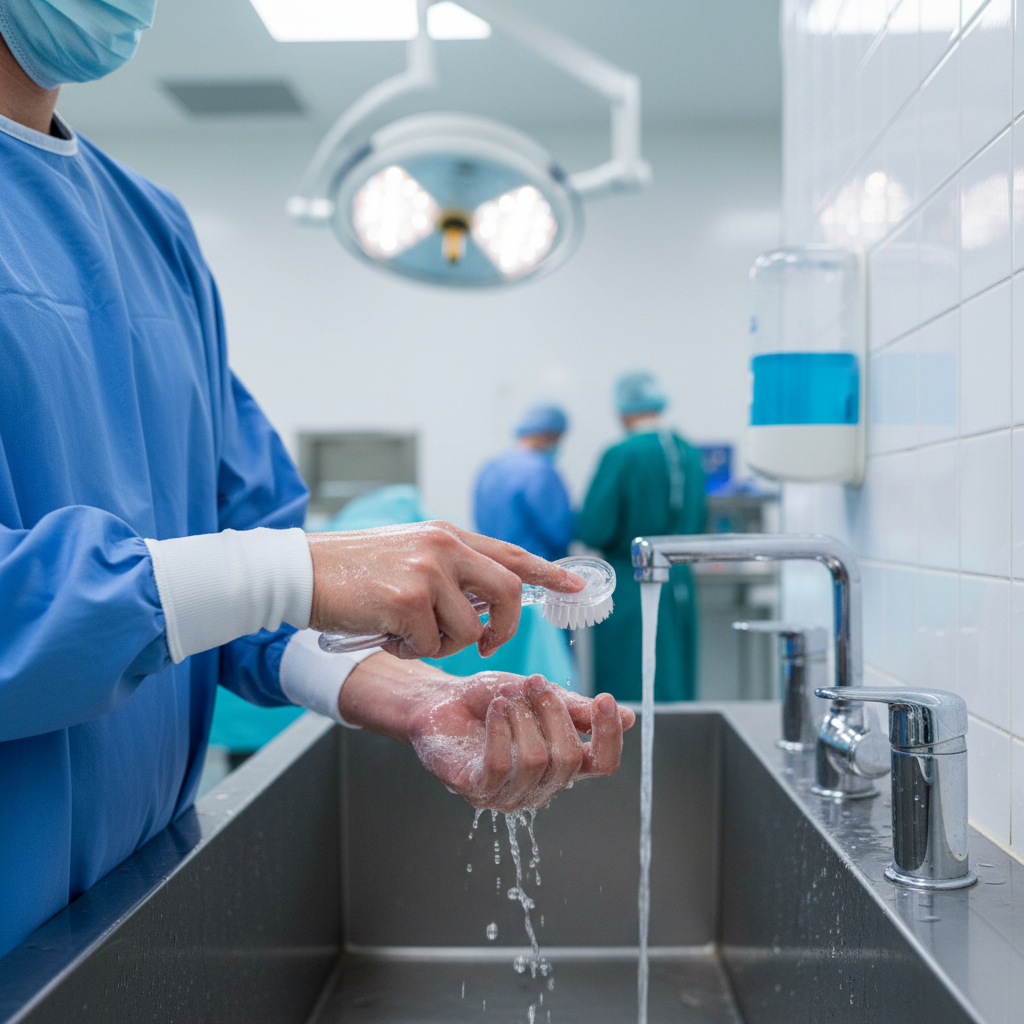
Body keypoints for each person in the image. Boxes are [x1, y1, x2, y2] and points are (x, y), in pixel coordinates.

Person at [0, 2, 633, 961]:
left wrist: (414, 697)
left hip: (124, 907)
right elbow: (253, 575)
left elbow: (235, 578)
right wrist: (293, 570)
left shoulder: (152, 232)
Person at [576, 372, 707, 702]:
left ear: (622, 410)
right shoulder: (689, 452)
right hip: (679, 581)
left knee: (630, 691)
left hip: (631, 584)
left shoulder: (622, 454)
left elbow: (595, 528)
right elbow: (699, 518)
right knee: (673, 683)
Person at [474, 404, 575, 563]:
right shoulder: (541, 471)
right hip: (535, 568)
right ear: (548, 435)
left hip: (492, 567)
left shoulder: (491, 467)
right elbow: (559, 531)